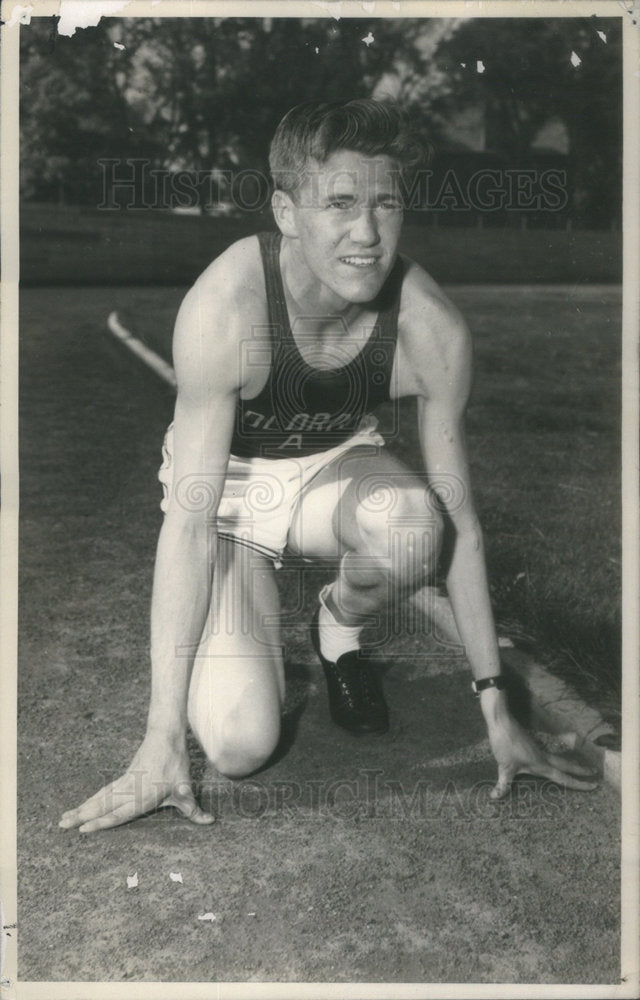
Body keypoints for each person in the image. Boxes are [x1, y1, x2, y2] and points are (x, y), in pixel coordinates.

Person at [60, 100, 596, 834]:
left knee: (414, 528)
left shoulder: (430, 326)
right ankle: (235, 638)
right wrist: (159, 744)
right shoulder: (225, 307)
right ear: (286, 211)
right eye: (340, 203)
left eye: (386, 203)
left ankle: (336, 627)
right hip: (229, 500)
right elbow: (186, 526)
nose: (368, 233)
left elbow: (461, 526)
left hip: (336, 469)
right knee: (239, 745)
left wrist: (498, 709)